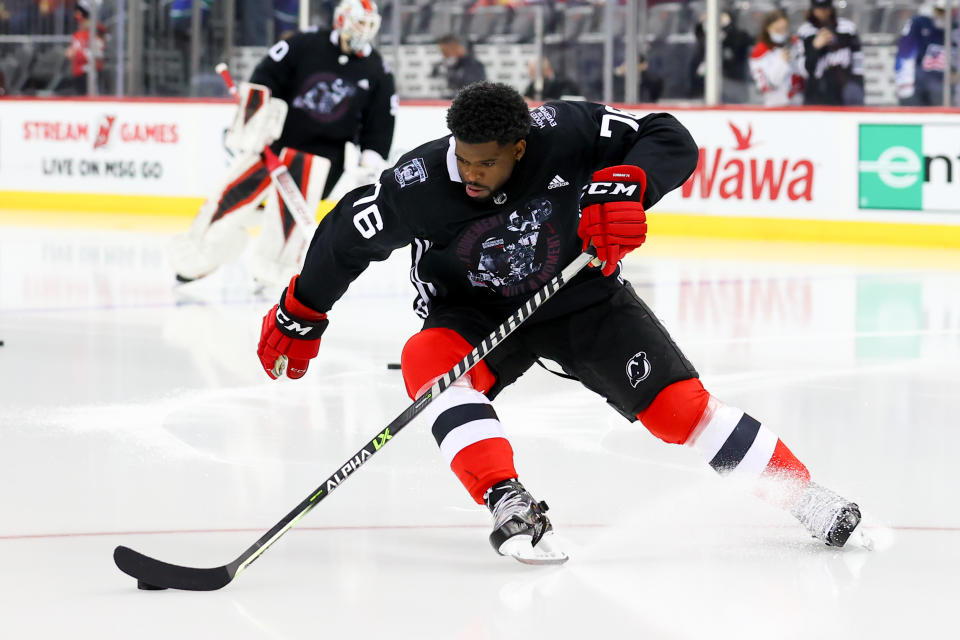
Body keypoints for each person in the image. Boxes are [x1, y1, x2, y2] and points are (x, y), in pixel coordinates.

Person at [254, 81, 864, 563]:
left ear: (520, 149)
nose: (469, 175)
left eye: (486, 164)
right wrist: (302, 309)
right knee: (427, 365)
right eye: (462, 159)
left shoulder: (567, 130)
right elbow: (344, 235)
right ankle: (505, 499)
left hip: (582, 299)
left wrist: (630, 181)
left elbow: (668, 136)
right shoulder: (421, 184)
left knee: (681, 410)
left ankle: (802, 494)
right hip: (475, 312)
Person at [169, 0, 396, 287]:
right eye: (358, 22)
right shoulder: (306, 43)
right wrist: (256, 119)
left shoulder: (378, 71)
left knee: (288, 226)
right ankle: (199, 257)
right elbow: (267, 74)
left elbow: (381, 120)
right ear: (341, 20)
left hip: (320, 157)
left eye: (368, 24)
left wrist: (371, 159)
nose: (363, 30)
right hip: (275, 143)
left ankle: (269, 271)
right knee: (229, 198)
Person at [797, 0, 864, 106]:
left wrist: (858, 89)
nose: (822, 12)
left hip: (843, 94)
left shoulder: (847, 28)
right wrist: (815, 47)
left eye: (825, 8)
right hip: (815, 96)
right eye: (818, 9)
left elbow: (858, 63)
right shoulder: (805, 31)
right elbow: (803, 70)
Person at [896, 0, 959, 106]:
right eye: (941, 11)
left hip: (943, 88)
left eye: (951, 12)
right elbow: (905, 55)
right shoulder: (919, 24)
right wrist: (905, 85)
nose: (945, 16)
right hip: (918, 86)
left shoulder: (955, 29)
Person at [690, 9, 754, 103]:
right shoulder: (707, 37)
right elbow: (699, 35)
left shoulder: (737, 36)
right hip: (704, 86)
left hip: (733, 83)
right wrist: (702, 22)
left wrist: (728, 25)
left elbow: (743, 41)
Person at [749, 10, 804, 107]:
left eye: (784, 29)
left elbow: (802, 74)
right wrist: (782, 62)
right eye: (778, 30)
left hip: (796, 103)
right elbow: (771, 83)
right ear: (768, 28)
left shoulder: (793, 45)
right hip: (773, 105)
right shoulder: (760, 51)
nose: (782, 33)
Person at [65, 0, 106, 96]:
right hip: (78, 74)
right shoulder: (77, 35)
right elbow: (70, 54)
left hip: (92, 73)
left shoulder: (97, 33)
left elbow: (99, 51)